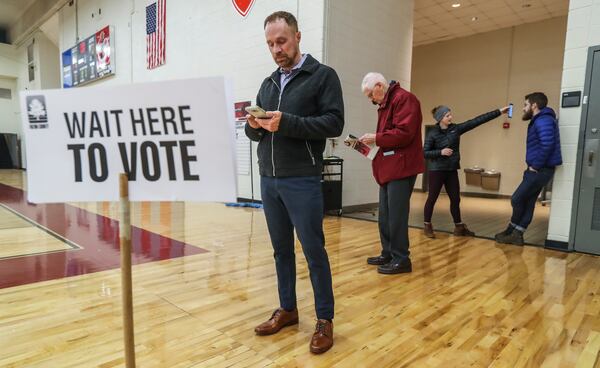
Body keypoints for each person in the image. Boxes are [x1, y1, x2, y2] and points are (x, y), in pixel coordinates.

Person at [244, 11, 344, 354]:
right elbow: (252, 133)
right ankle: (288, 309)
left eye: (282, 41)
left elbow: (334, 123)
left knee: (314, 252)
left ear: (298, 37)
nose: (276, 49)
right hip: (269, 180)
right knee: (280, 251)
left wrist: (287, 123)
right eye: (271, 43)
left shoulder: (322, 76)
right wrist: (253, 126)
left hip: (302, 179)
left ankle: (325, 320)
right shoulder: (268, 82)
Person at [359, 72, 424, 274]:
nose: (371, 100)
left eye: (371, 95)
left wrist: (376, 138)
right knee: (385, 215)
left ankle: (402, 259)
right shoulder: (387, 103)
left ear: (380, 85)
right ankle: (388, 253)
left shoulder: (405, 99)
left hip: (401, 168)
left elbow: (404, 134)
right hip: (389, 167)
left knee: (396, 215)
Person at [423, 105, 510, 238]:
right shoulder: (432, 133)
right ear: (440, 118)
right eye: (447, 116)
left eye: (450, 114)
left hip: (451, 169)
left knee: (455, 199)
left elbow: (476, 121)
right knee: (432, 198)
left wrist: (499, 112)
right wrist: (441, 152)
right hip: (437, 170)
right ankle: (427, 225)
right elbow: (425, 153)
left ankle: (459, 227)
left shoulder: (456, 129)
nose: (451, 117)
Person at [495, 92, 562, 245]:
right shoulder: (541, 119)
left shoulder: (543, 120)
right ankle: (515, 232)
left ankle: (515, 231)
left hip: (539, 169)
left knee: (517, 199)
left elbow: (547, 145)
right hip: (540, 169)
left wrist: (535, 166)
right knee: (529, 201)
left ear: (534, 105)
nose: (523, 109)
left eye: (525, 105)